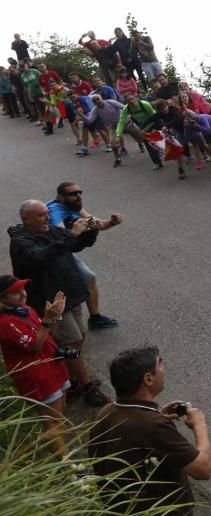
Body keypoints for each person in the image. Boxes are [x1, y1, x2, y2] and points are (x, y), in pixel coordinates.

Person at [90, 345, 211, 516]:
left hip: (123, 514)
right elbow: (203, 469)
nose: (164, 368)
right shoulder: (152, 427)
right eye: (160, 365)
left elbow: (133, 440)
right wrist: (200, 426)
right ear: (148, 379)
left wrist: (159, 416)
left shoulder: (107, 411)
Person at [9, 200, 109, 406]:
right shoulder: (21, 242)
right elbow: (41, 256)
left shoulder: (51, 230)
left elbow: (75, 244)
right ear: (26, 219)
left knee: (79, 336)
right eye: (40, 215)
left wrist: (90, 230)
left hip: (68, 294)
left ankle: (70, 380)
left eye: (46, 213)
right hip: (48, 301)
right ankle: (87, 387)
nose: (47, 217)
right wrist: (71, 234)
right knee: (72, 340)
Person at [0, 278, 71, 453]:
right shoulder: (5, 323)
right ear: (3, 299)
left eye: (23, 289)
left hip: (52, 366)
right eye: (16, 292)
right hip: (38, 376)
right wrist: (46, 320)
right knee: (53, 422)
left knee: (60, 416)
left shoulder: (25, 310)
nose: (23, 293)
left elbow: (47, 334)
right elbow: (35, 345)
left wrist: (55, 316)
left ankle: (62, 452)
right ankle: (71, 468)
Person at [47, 182, 122, 329]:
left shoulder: (74, 205)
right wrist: (75, 230)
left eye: (79, 192)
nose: (78, 196)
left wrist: (112, 222)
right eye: (73, 194)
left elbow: (96, 224)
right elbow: (61, 234)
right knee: (65, 286)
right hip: (52, 253)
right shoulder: (55, 211)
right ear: (61, 197)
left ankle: (95, 318)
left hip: (62, 250)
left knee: (89, 278)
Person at [114, 93, 162, 169]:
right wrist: (118, 135)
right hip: (143, 125)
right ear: (126, 102)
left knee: (163, 137)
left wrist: (146, 129)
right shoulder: (126, 109)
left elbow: (155, 116)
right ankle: (157, 162)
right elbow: (121, 122)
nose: (131, 101)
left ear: (136, 98)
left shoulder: (144, 104)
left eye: (132, 99)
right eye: (128, 100)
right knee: (147, 142)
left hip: (155, 121)